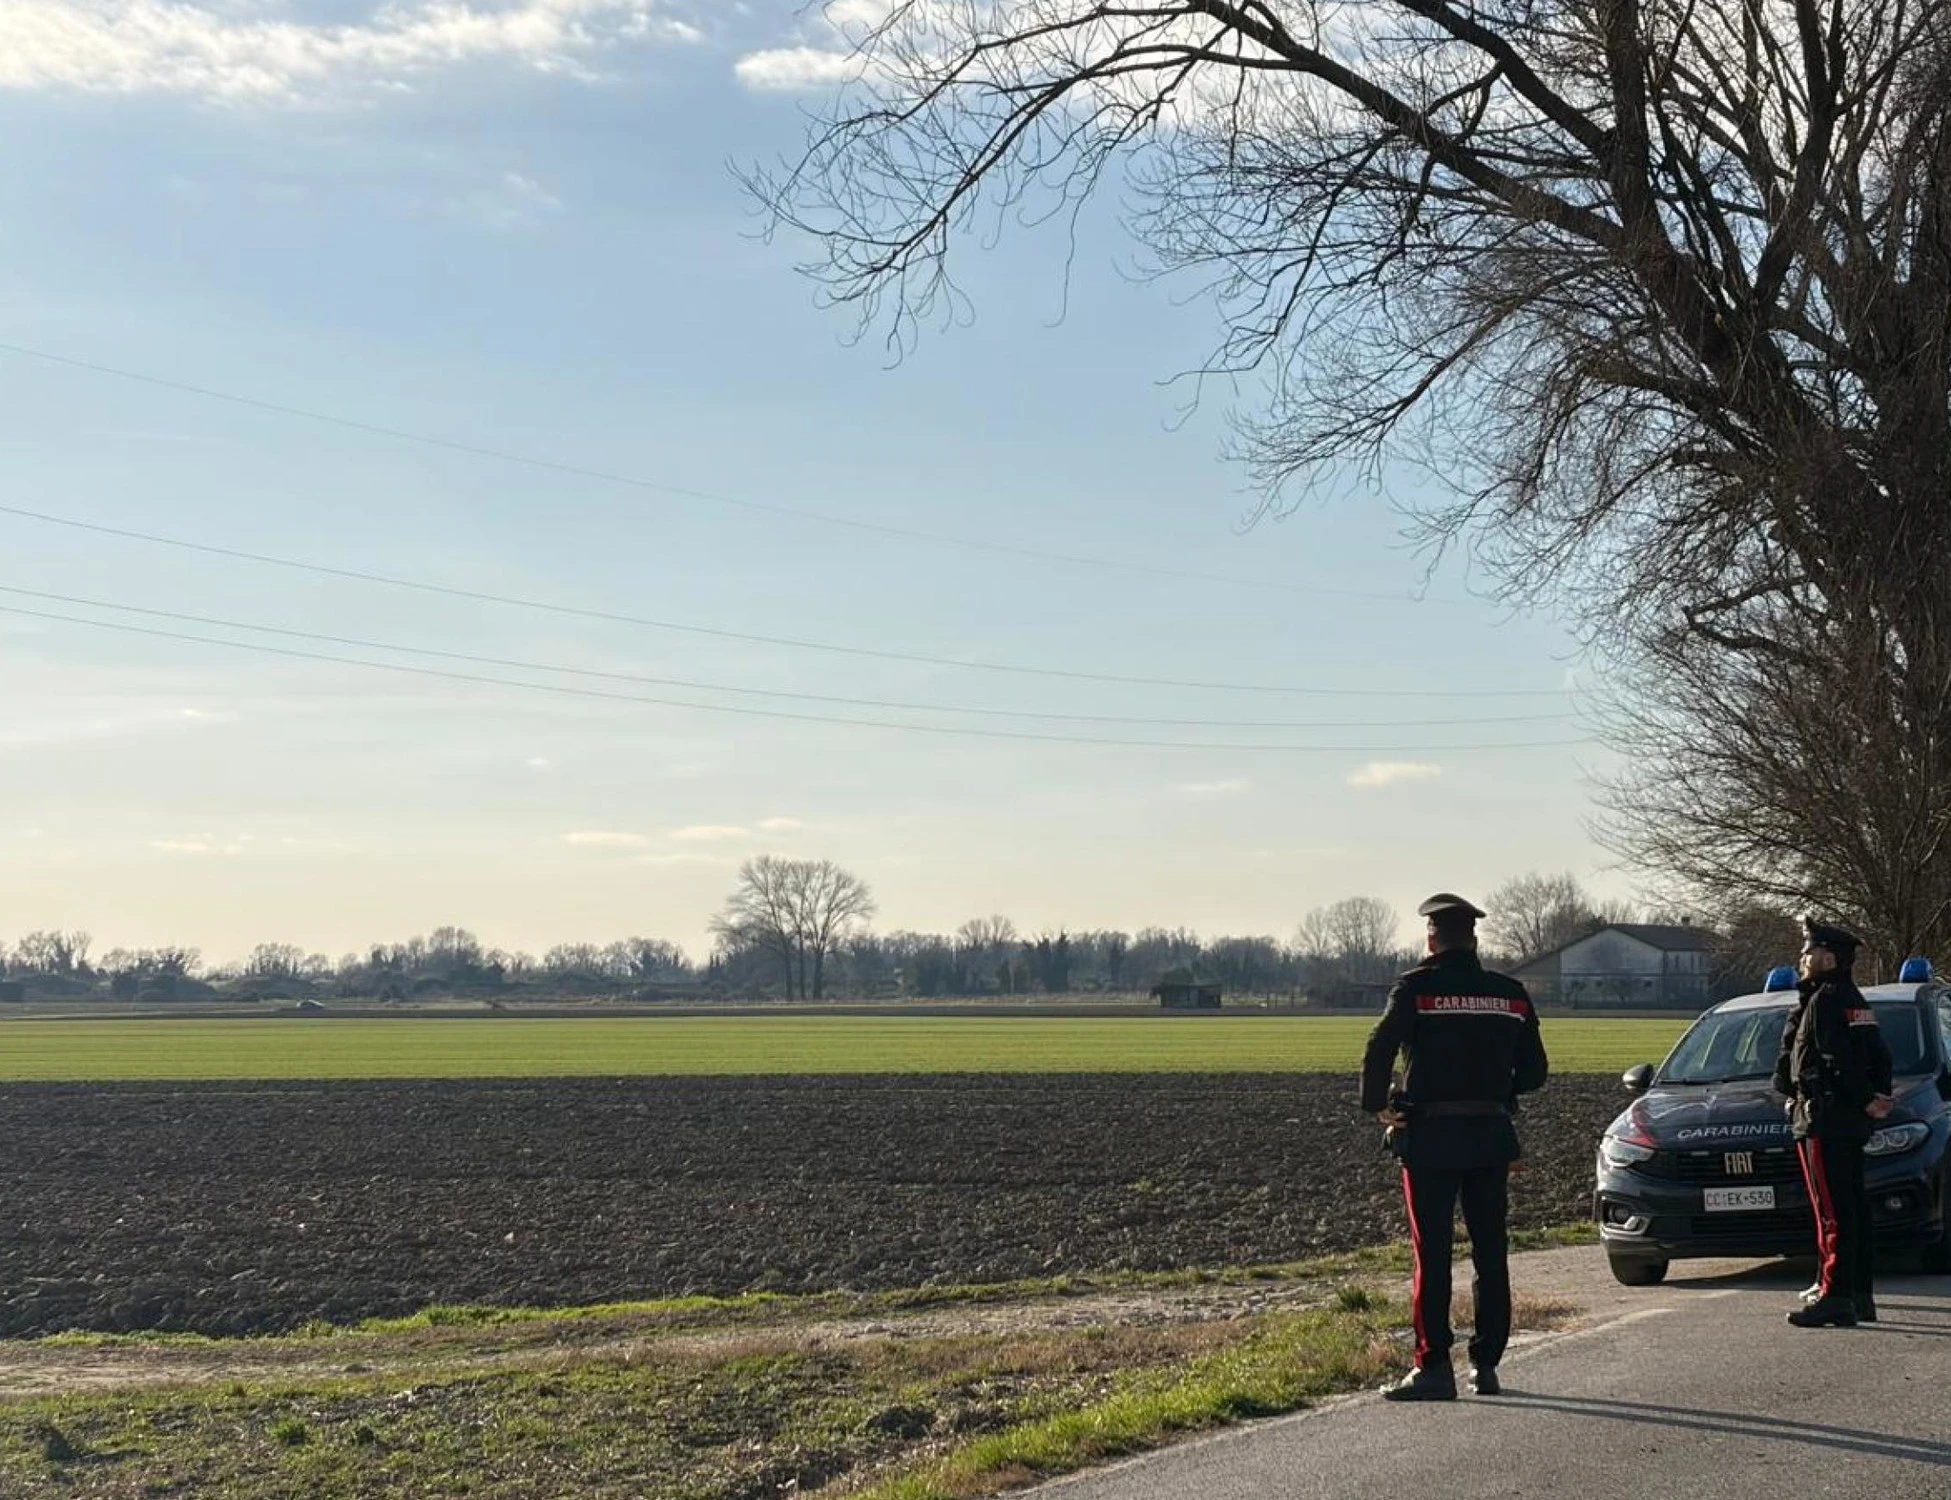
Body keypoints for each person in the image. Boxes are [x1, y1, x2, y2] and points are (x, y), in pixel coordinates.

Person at [1360, 893, 1549, 1401]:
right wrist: (1497, 1092)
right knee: (1491, 1251)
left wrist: (1378, 1104)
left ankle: (1433, 1366)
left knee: (1433, 1252)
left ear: (1431, 937)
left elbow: (1379, 1047)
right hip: (1490, 1137)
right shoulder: (1509, 994)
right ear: (1474, 938)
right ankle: (1486, 1364)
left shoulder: (1416, 989)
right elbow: (1535, 1071)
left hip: (1430, 1140)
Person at [1773, 917, 1894, 1327]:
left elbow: (1836, 1060)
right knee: (1853, 1208)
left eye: (1809, 951)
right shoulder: (1852, 998)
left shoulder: (1825, 1000)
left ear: (1827, 956)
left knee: (1832, 1212)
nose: (1802, 958)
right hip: (1847, 1120)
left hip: (1826, 1119)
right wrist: (1877, 1098)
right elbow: (1880, 1057)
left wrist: (1864, 1098)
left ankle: (1835, 1295)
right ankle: (1859, 1295)